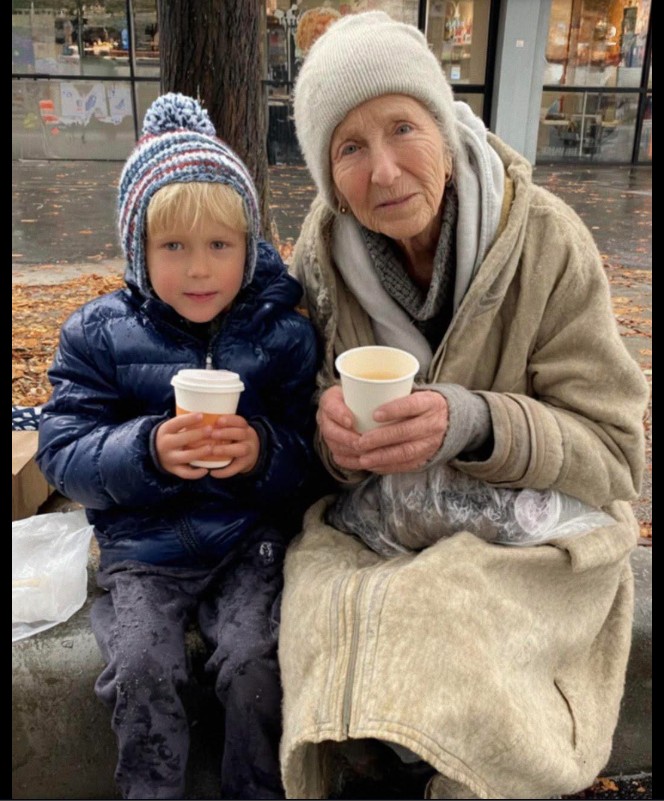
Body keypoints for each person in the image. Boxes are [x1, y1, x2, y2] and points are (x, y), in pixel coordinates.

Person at [276, 11, 650, 800]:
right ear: (326, 172)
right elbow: (306, 408)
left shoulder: (545, 240)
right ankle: (377, 767)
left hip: (537, 527)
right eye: (350, 147)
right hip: (392, 517)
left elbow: (618, 452)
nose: (383, 172)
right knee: (319, 598)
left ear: (444, 129)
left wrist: (477, 421)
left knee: (451, 611)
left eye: (403, 128)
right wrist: (333, 433)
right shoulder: (321, 253)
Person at [36, 92, 321, 800]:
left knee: (258, 662)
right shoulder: (99, 334)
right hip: (143, 549)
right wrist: (147, 450)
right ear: (138, 248)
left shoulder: (280, 334)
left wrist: (261, 451)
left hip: (246, 541)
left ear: (250, 246)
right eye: (174, 247)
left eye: (220, 246)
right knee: (141, 667)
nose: (199, 270)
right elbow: (63, 449)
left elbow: (313, 457)